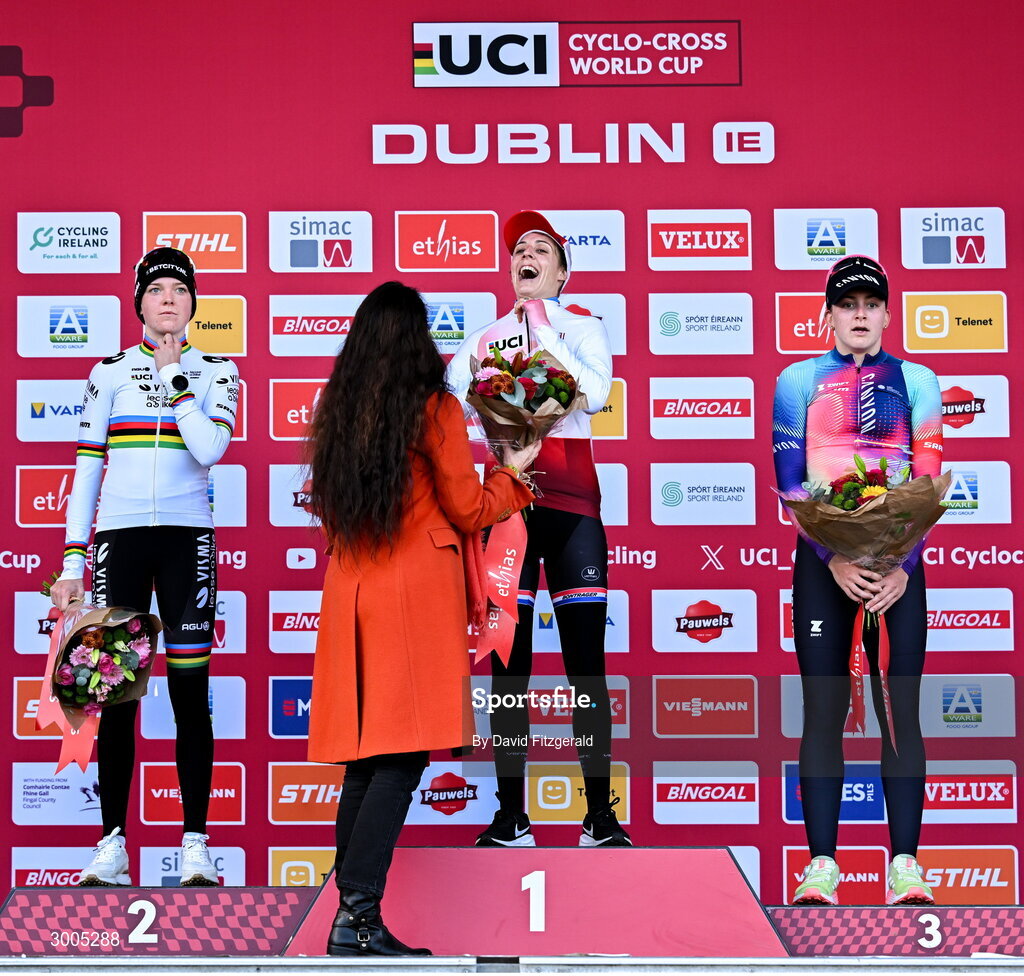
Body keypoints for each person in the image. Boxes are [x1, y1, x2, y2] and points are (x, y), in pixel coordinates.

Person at [305, 281, 538, 956]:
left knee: (365, 759)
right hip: (413, 597)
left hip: (352, 592)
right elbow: (468, 509)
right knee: (401, 759)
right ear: (417, 340)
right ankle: (360, 918)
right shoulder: (432, 405)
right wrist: (514, 471)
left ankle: (349, 921)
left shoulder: (340, 410)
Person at [49, 247, 239, 887]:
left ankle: (194, 845)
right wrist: (75, 557)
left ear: (192, 306)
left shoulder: (218, 371)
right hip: (120, 541)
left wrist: (176, 380)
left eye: (179, 291)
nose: (167, 299)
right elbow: (87, 470)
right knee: (118, 697)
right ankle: (111, 844)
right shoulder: (106, 374)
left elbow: (209, 449)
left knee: (190, 695)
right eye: (155, 289)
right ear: (138, 304)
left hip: (187, 541)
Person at [447, 211, 629, 848]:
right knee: (508, 667)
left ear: (560, 270)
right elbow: (453, 408)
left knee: (587, 667)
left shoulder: (584, 327)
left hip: (575, 506)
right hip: (508, 506)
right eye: (518, 249)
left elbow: (598, 393)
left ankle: (599, 815)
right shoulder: (482, 338)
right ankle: (510, 815)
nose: (525, 255)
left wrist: (542, 327)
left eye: (540, 249)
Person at [772, 255, 943, 906]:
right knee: (823, 711)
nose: (862, 314)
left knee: (900, 714)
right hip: (825, 568)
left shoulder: (919, 380)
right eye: (849, 304)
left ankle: (905, 866)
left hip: (902, 569)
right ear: (828, 316)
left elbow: (925, 480)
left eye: (872, 304)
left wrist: (899, 563)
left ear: (888, 315)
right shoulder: (796, 381)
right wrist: (834, 558)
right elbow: (791, 483)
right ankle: (821, 866)